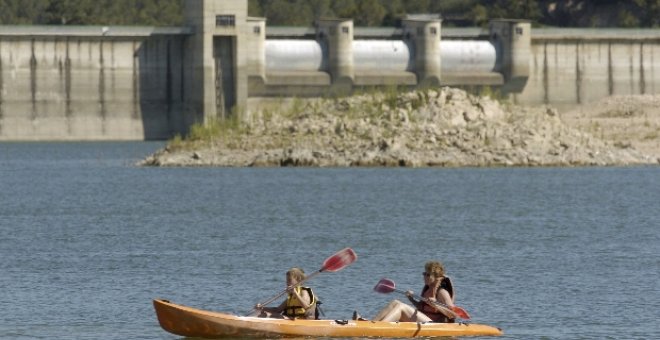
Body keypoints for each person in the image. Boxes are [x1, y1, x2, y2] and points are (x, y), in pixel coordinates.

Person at [365, 260, 456, 323]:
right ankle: (372, 323)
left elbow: (452, 315)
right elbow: (421, 307)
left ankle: (381, 327)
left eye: (427, 275)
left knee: (401, 307)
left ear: (435, 278)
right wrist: (411, 298)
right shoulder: (428, 289)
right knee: (395, 302)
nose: (424, 276)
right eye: (424, 273)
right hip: (424, 320)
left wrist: (435, 305)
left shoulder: (442, 292)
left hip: (435, 324)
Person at [253, 267, 318, 320]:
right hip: (292, 319)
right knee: (263, 313)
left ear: (298, 280)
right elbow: (278, 310)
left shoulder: (304, 291)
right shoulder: (291, 296)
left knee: (274, 316)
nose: (287, 283)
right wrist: (262, 308)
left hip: (302, 320)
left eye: (289, 280)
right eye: (287, 280)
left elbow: (306, 307)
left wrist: (295, 293)